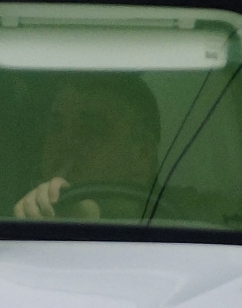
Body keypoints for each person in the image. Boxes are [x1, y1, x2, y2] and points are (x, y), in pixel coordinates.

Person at [12, 76, 162, 219]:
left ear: (142, 155)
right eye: (55, 126)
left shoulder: (174, 226)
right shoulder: (5, 218)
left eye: (91, 129)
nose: (65, 142)